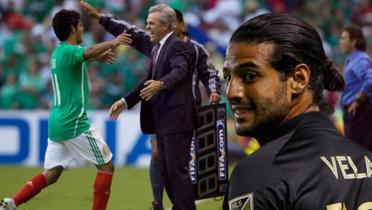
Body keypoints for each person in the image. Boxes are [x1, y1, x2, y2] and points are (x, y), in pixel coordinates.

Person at [222, 13, 372, 210]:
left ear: (299, 79)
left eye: (250, 76)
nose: (231, 92)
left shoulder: (259, 173)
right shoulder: (366, 160)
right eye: (227, 77)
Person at [80, 3, 221, 208]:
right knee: (166, 166)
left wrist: (212, 89)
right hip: (160, 116)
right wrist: (125, 101)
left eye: (151, 23)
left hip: (181, 115)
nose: (147, 28)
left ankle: (179, 205)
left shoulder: (189, 48)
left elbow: (195, 72)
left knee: (176, 168)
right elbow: (130, 33)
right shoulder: (156, 46)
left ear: (172, 25)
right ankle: (164, 203)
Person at [0, 9, 131, 210]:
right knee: (107, 165)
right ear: (72, 28)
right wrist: (114, 42)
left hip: (57, 122)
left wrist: (97, 58)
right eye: (79, 25)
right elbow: (86, 52)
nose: (82, 28)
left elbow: (83, 57)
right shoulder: (70, 52)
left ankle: (13, 202)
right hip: (74, 122)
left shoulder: (58, 53)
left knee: (51, 174)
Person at [339, 24, 372, 152]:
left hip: (358, 112)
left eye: (343, 38)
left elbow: (370, 80)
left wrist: (359, 99)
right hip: (354, 112)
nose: (340, 42)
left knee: (359, 151)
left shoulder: (360, 59)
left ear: (354, 41)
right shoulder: (352, 59)